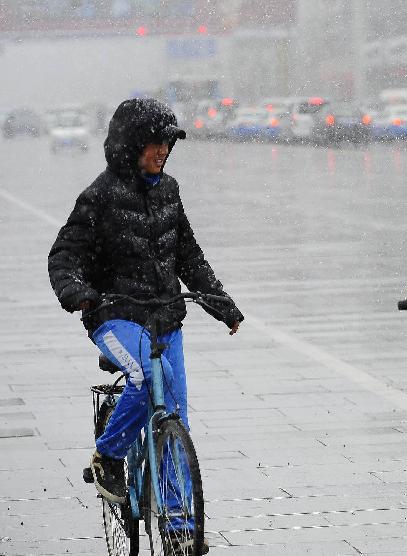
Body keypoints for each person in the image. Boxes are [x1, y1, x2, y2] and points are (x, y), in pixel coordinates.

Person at [48, 98, 242, 550]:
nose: (162, 151)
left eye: (167, 143)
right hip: (115, 314)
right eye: (155, 143)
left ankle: (177, 524)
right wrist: (78, 293)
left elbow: (189, 255)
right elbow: (64, 256)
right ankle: (109, 455)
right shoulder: (99, 196)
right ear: (131, 146)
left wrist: (223, 306)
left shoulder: (169, 190)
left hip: (166, 315)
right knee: (148, 374)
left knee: (175, 419)